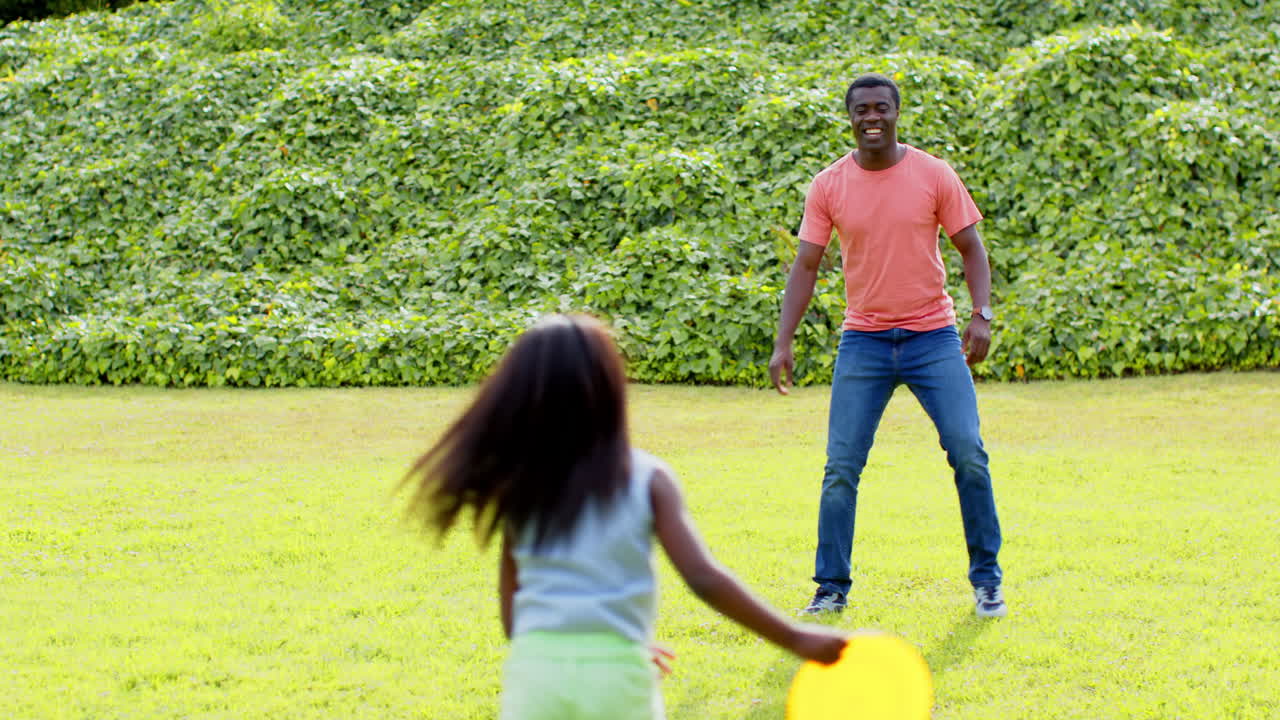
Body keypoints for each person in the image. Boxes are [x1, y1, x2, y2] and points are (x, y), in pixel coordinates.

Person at [402, 314, 848, 720]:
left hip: (534, 674)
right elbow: (703, 577)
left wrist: (572, 656)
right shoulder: (648, 478)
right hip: (618, 676)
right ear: (609, 390)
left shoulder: (522, 485)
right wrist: (794, 637)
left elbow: (513, 615)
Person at [769, 73, 1007, 619]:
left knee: (968, 452)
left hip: (933, 337)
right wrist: (784, 342)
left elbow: (972, 248)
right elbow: (807, 265)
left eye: (881, 108)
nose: (871, 117)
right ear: (850, 118)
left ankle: (987, 581)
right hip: (865, 342)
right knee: (841, 468)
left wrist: (982, 315)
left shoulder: (933, 174)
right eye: (861, 110)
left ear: (896, 113)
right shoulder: (829, 185)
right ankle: (830, 587)